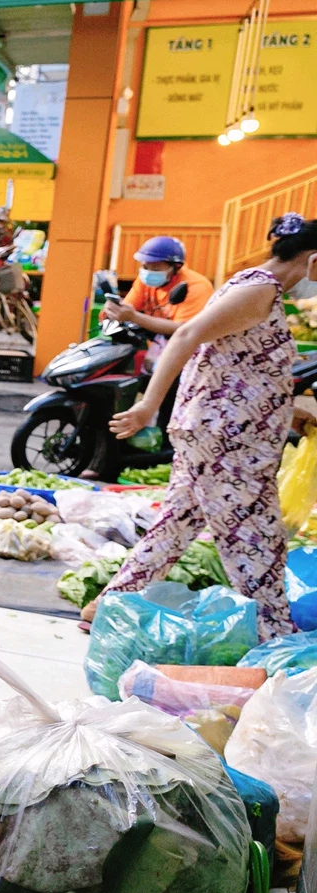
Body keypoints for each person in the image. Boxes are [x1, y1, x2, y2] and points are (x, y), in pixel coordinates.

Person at [89, 214, 317, 639]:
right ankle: (276, 638)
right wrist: (148, 405)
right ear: (314, 262)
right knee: (258, 541)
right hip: (227, 441)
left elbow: (240, 366)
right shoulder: (259, 291)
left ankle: (108, 603)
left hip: (219, 432)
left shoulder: (255, 287)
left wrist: (290, 412)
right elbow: (186, 336)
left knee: (175, 526)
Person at [103, 235, 213, 340]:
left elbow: (183, 329)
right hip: (155, 347)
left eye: (155, 269)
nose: (148, 272)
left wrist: (134, 317)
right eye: (145, 267)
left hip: (186, 350)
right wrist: (116, 310)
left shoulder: (196, 286)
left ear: (176, 267)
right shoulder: (144, 280)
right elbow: (130, 306)